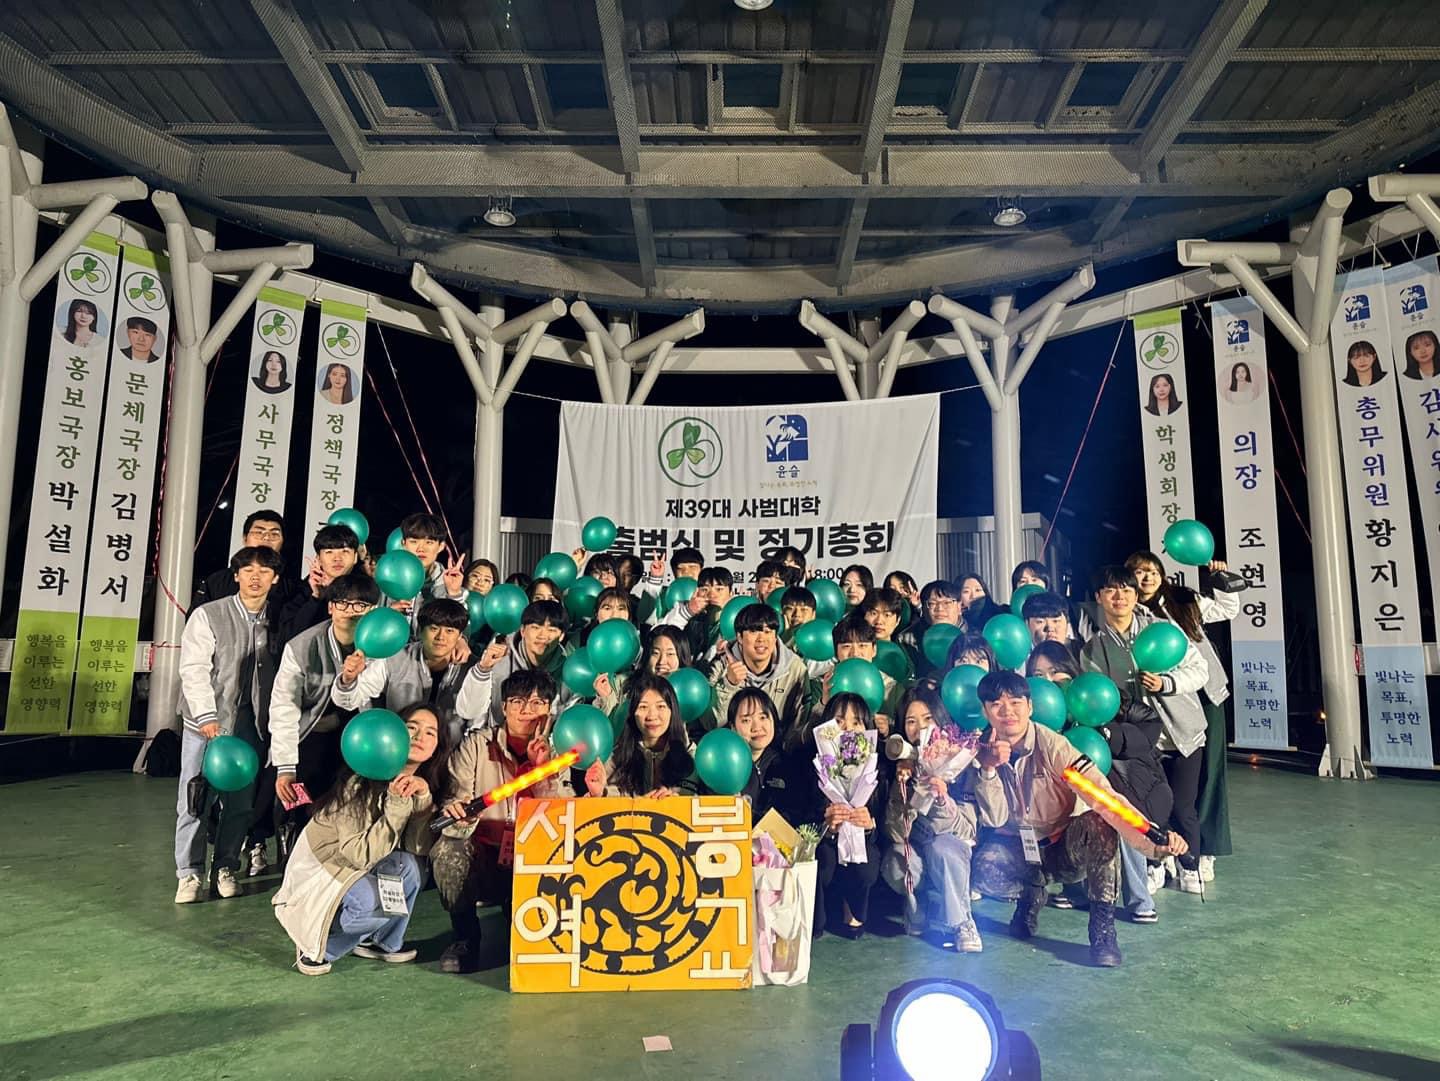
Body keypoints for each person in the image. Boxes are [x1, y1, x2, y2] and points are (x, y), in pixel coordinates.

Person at [968, 671, 1188, 967]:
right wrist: (989, 769)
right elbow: (995, 819)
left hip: (1062, 848)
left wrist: (1154, 841)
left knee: (1100, 822)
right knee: (983, 868)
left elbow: (1103, 796)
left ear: (1030, 707)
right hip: (1019, 848)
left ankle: (1102, 930)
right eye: (996, 704)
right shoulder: (978, 750)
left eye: (1016, 702)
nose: (1007, 711)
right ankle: (1029, 895)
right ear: (985, 711)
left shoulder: (1054, 748)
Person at [273, 704, 448, 975]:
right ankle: (318, 948)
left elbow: (418, 848)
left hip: (366, 864)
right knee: (370, 904)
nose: (419, 737)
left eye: (430, 732)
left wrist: (423, 800)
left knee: (411, 869)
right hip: (329, 865)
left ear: (436, 747)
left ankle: (383, 943)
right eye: (411, 728)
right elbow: (357, 855)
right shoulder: (358, 783)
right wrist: (397, 804)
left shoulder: (418, 783)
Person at [1080, 565, 1209, 895]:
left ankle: (1190, 864)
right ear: (1099, 597)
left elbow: (1200, 670)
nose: (1119, 596)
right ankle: (1156, 863)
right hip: (1138, 741)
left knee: (1183, 806)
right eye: (1111, 590)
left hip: (1181, 733)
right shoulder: (1094, 648)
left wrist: (1167, 683)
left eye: (1126, 590)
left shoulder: (1163, 630)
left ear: (1136, 596)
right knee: (1152, 805)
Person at [432, 669, 569, 974]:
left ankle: (526, 927)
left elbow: (562, 817)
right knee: (448, 850)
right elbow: (454, 798)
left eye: (537, 703)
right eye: (518, 702)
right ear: (504, 707)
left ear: (549, 709)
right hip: (486, 858)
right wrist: (461, 816)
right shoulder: (476, 745)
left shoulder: (560, 752)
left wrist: (543, 772)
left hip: (534, 863)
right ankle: (465, 936)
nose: (527, 710)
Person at [173, 546, 283, 903]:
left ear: (275, 578)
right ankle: (189, 873)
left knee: (240, 803)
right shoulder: (209, 614)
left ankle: (225, 866)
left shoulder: (278, 619)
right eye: (248, 570)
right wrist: (207, 717)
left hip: (251, 725)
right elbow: (194, 669)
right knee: (195, 799)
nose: (255, 577)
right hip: (205, 724)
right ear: (236, 575)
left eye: (264, 571)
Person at [1126, 550, 1243, 885]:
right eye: (1139, 571)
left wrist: (1221, 579)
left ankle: (1204, 850)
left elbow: (1227, 609)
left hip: (1204, 697)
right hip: (1163, 699)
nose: (1146, 577)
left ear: (1162, 575)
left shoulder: (1183, 599)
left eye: (1152, 571)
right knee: (1166, 782)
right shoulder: (1129, 613)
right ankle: (1165, 851)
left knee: (1206, 776)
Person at [268, 572, 381, 864]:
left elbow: (368, 694)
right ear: (330, 607)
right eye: (343, 603)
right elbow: (283, 707)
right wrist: (285, 767)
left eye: (360, 605)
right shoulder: (301, 646)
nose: (350, 611)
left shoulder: (381, 645)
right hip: (311, 735)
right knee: (299, 800)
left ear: (373, 610)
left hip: (360, 737)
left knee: (353, 805)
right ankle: (292, 856)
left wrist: (351, 678)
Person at [881, 685, 983, 951]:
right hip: (916, 845)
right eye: (911, 721)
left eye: (927, 719)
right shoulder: (901, 766)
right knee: (897, 860)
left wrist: (941, 799)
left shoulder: (960, 763)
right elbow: (895, 833)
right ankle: (920, 901)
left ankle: (963, 921)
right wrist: (904, 790)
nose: (920, 728)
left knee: (943, 849)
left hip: (949, 847)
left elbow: (967, 830)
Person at [331, 599, 474, 744]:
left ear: (460, 636)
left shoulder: (471, 669)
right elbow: (348, 701)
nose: (440, 637)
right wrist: (348, 679)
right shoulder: (394, 658)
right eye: (433, 628)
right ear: (420, 631)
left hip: (452, 751)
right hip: (397, 747)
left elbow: (477, 723)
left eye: (449, 631)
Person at [803, 693, 885, 939]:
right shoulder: (811, 764)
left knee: (866, 864)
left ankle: (853, 908)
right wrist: (826, 824)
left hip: (862, 843)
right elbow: (801, 818)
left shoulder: (877, 765)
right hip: (827, 843)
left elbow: (885, 821)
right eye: (839, 721)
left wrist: (869, 825)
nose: (847, 728)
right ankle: (821, 915)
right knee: (825, 859)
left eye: (856, 722)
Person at [456, 599, 574, 730]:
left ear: (561, 636)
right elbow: (468, 712)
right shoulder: (499, 659)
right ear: (522, 630)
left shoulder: (570, 672)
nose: (543, 635)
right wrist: (483, 669)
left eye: (551, 630)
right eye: (536, 627)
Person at [583, 673, 697, 797]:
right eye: (643, 707)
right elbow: (612, 795)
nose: (652, 716)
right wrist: (600, 793)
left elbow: (698, 796)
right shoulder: (618, 756)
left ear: (672, 710)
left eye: (661, 706)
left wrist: (676, 800)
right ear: (632, 713)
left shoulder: (691, 755)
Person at [711, 601, 810, 735]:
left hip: (778, 745)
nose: (761, 639)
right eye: (753, 631)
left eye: (768, 632)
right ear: (740, 637)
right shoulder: (720, 666)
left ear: (775, 637)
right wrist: (729, 684)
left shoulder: (795, 669)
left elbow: (799, 725)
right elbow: (713, 724)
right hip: (732, 744)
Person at [277, 523, 361, 642]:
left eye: (345, 551)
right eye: (329, 552)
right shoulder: (300, 591)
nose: (337, 558)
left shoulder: (366, 589)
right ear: (318, 558)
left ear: (355, 557)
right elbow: (288, 637)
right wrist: (316, 598)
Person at [192, 510, 290, 608]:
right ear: (244, 538)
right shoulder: (218, 581)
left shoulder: (291, 585)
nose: (266, 538)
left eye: (274, 534)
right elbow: (197, 614)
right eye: (259, 532)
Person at [724, 687, 792, 820]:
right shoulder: (724, 768)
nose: (757, 727)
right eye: (746, 720)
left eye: (763, 717)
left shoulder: (787, 764)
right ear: (733, 727)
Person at [1020, 591, 1082, 658]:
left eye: (1056, 621)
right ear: (1027, 624)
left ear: (1067, 622)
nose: (1050, 628)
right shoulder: (1020, 655)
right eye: (1040, 622)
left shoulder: (1082, 653)